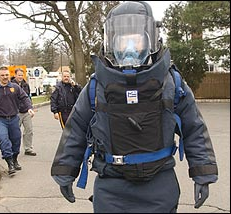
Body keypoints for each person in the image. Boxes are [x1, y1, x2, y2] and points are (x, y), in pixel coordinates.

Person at [50, 1, 218, 213]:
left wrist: (203, 174)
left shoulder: (171, 83)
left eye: (136, 41)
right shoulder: (96, 86)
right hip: (111, 187)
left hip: (159, 187)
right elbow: (76, 131)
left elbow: (194, 129)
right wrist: (65, 172)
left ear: (150, 41)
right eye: (123, 42)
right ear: (111, 43)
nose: (129, 49)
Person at [0, 66, 34, 175]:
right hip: (0, 120)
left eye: (7, 75)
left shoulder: (15, 87)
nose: (5, 77)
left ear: (9, 75)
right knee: (3, 139)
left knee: (16, 141)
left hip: (14, 118)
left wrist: (29, 108)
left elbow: (25, 97)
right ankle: (9, 163)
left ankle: (15, 159)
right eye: (3, 75)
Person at [11, 68, 36, 156]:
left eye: (22, 75)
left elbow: (28, 98)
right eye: (19, 75)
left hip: (26, 111)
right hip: (16, 112)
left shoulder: (26, 85)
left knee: (29, 130)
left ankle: (28, 148)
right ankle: (12, 148)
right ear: (15, 75)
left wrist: (30, 108)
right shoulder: (11, 86)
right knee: (15, 131)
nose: (21, 77)